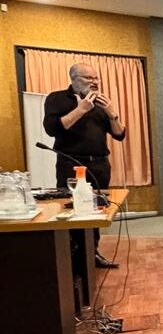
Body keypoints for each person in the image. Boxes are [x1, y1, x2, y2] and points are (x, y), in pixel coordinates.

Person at [42, 63, 127, 268]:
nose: (95, 82)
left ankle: (92, 254)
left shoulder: (100, 104)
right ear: (74, 78)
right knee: (72, 211)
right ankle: (72, 257)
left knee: (96, 211)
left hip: (98, 165)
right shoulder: (57, 98)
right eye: (89, 78)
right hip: (70, 165)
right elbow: (52, 129)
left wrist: (111, 112)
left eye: (96, 78)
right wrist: (81, 110)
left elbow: (119, 134)